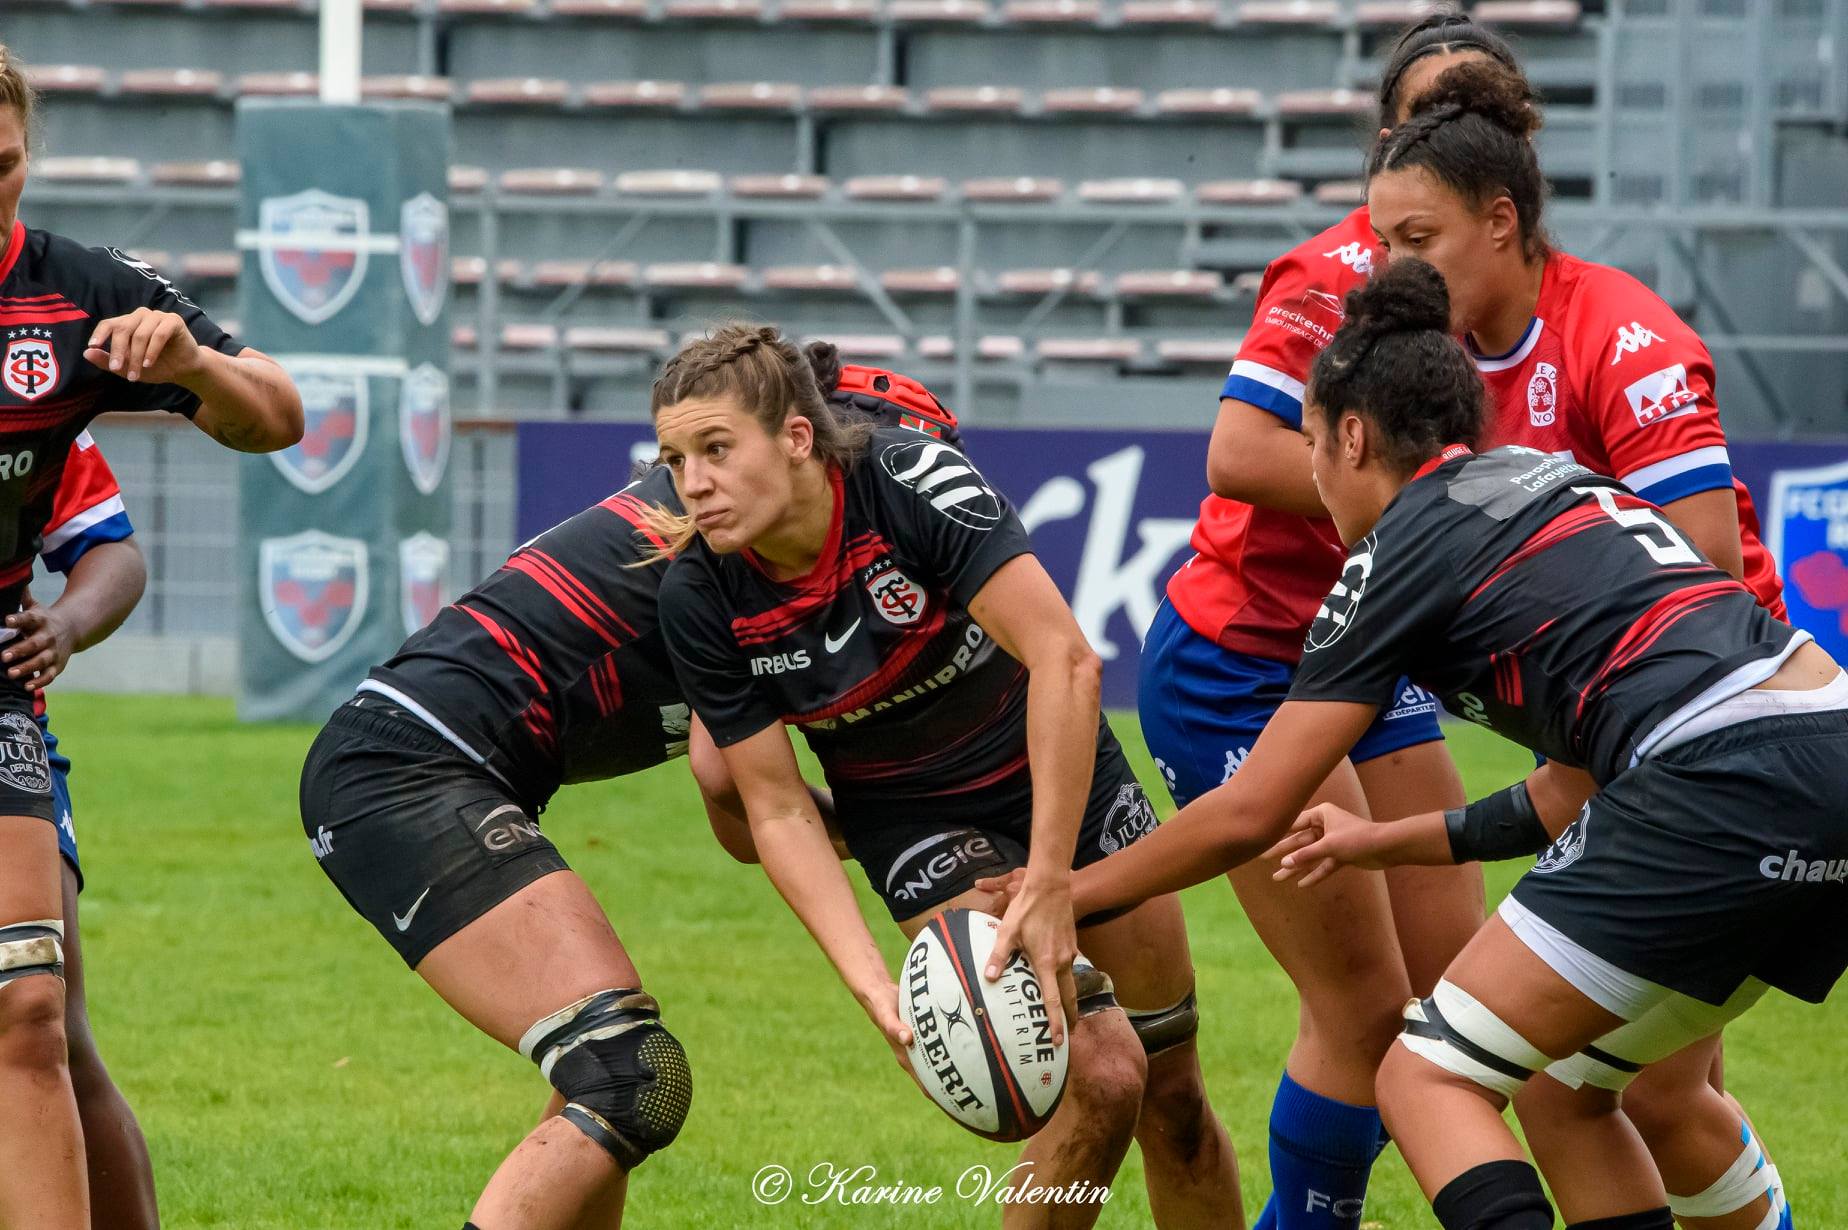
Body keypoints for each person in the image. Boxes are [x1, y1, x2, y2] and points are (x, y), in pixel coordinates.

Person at [989, 258, 1844, 1230]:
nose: (1311, 475)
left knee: (1425, 1074)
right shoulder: (1552, 480)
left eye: (1311, 445)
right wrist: (1377, 843)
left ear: (1352, 435)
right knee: (1571, 1089)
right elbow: (1566, 794)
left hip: (1714, 771)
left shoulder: (1394, 554)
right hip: (1823, 744)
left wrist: (1063, 888)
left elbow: (1250, 812)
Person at [299, 356, 968, 1230]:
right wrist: (890, 829)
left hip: (429, 763)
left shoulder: (734, 522)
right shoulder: (743, 551)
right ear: (808, 444)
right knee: (626, 1074)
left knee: (603, 1077)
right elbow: (736, 789)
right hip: (405, 770)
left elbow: (738, 821)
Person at [654, 325, 1240, 1227]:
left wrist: (1050, 879)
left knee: (1176, 1102)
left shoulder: (906, 483)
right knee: (1106, 1073)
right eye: (676, 458)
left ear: (797, 438)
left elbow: (1067, 662)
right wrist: (874, 991)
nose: (693, 483)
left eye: (717, 449)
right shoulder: (701, 595)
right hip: (916, 821)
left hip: (1061, 780)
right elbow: (771, 807)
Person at [1366, 58, 1795, 1229]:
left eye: (1419, 237)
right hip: (1654, 745)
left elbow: (1705, 570)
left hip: (1710, 737)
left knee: (1634, 1083)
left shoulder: (1619, 332)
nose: (1394, 271)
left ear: (1500, 220)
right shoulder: (1444, 364)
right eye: (1381, 243)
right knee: (1602, 1084)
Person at [1142, 13, 1506, 1224]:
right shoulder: (1333, 273)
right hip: (1243, 661)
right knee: (1364, 1009)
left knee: (1466, 998)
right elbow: (1238, 451)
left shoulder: (1508, 296)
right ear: (1388, 132)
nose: (1450, 132)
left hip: (1366, 653)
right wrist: (1421, 512)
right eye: (1426, 112)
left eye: (1479, 113)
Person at [0, 47, 303, 1230]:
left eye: (6, 160)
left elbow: (274, 411)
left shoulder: (82, 298)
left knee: (31, 1008)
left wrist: (193, 366)